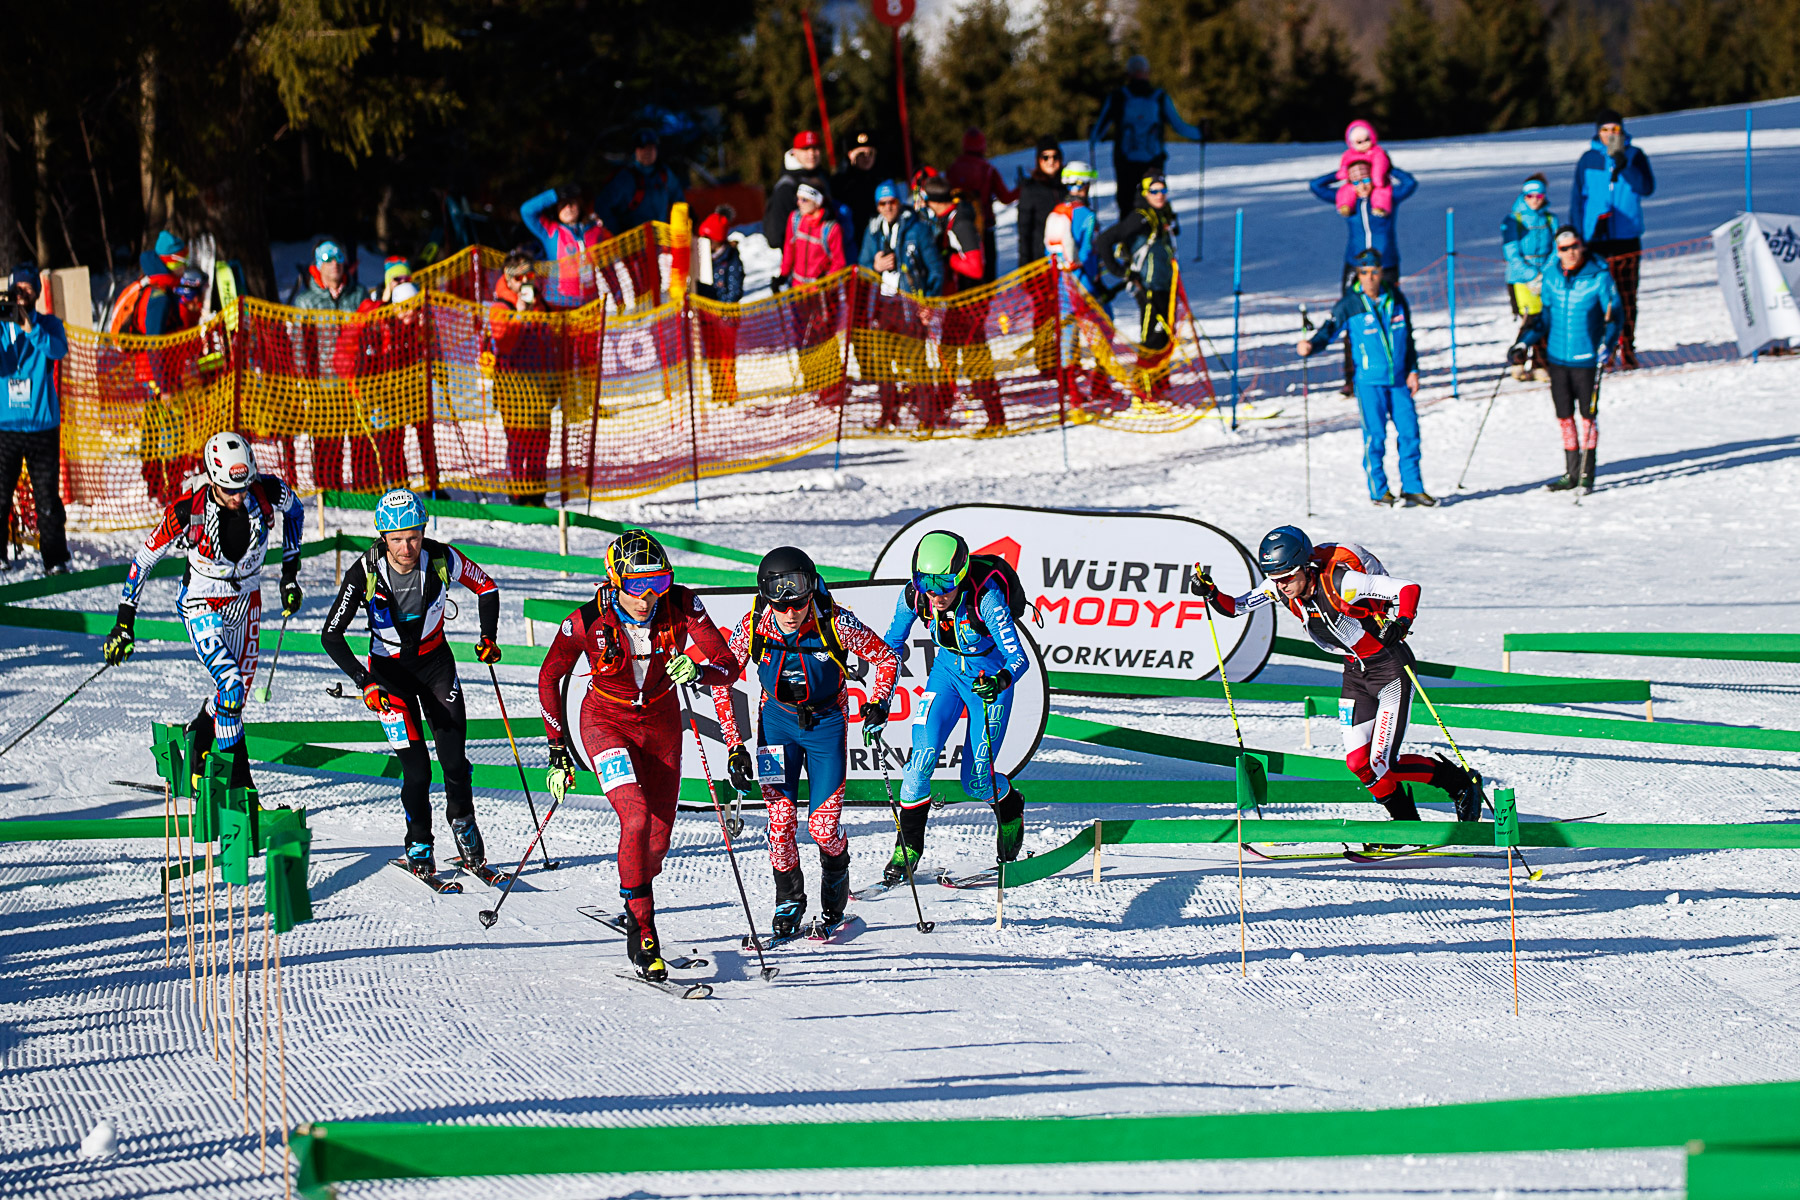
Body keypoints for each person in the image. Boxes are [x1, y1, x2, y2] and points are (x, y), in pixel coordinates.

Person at [538, 530, 739, 981]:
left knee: (659, 841)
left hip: (662, 725)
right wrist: (558, 751)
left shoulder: (684, 607)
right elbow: (548, 679)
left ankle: (634, 888)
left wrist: (701, 670)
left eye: (659, 584)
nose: (647, 598)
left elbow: (729, 664)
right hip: (605, 722)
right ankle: (644, 931)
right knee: (635, 818)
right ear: (614, 579)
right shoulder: (585, 622)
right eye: (635, 587)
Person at [1191, 528, 1483, 828]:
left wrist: (1402, 622)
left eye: (1288, 577)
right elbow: (1237, 607)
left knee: (1382, 763)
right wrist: (1211, 593)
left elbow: (1408, 589)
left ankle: (1459, 783)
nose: (1282, 586)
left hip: (1390, 669)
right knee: (1359, 765)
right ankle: (1406, 826)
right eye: (1276, 578)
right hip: (1355, 673)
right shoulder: (1279, 585)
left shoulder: (1343, 582)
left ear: (1305, 567)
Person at [102, 432, 304, 794]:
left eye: (243, 487)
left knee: (235, 698)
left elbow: (297, 511)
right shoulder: (188, 512)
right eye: (229, 490)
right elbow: (144, 559)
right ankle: (238, 790)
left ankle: (197, 737)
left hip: (247, 601)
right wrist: (124, 621)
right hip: (202, 602)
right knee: (230, 687)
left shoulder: (266, 492)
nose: (238, 496)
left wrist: (290, 573)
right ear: (212, 479)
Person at [711, 547, 899, 935]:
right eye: (780, 604)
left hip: (826, 724)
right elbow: (721, 681)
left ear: (811, 589)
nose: (791, 611)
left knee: (822, 829)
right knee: (779, 822)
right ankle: (789, 900)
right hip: (777, 723)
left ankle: (835, 883)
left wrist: (879, 701)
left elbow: (886, 658)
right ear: (766, 598)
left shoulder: (836, 623)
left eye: (799, 599)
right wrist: (734, 746)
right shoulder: (753, 626)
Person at [319, 489, 501, 882]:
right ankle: (419, 842)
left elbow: (487, 587)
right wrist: (363, 681)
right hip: (388, 678)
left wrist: (489, 637)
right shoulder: (363, 572)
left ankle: (464, 825)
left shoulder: (441, 557)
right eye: (397, 538)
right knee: (417, 771)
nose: (407, 547)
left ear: (423, 531)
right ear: (383, 536)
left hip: (436, 666)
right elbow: (331, 635)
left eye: (414, 536)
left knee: (454, 761)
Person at [879, 531, 1030, 883]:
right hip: (946, 674)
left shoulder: (986, 599)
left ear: (961, 574)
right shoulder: (914, 597)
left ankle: (1010, 808)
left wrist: (1000, 681)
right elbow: (889, 647)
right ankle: (908, 847)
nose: (935, 593)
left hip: (986, 682)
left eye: (945, 583)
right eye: (925, 583)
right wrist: (880, 700)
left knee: (977, 782)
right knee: (921, 758)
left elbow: (1018, 658)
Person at [1298, 248, 1430, 507]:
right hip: (1370, 382)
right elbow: (1328, 331)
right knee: (1376, 436)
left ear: (1381, 272)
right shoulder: (1350, 304)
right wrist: (1311, 346)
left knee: (1410, 433)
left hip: (1399, 380)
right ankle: (1379, 490)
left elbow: (1408, 337)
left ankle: (1413, 487)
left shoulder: (1396, 298)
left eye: (1374, 272)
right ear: (1357, 274)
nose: (1370, 278)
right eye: (1364, 273)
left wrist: (1413, 369)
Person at [1510, 225, 1621, 494]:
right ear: (1557, 252)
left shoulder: (1599, 276)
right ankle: (1570, 473)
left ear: (1581, 246)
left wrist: (1607, 343)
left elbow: (1615, 316)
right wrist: (1524, 341)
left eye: (1574, 247)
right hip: (1558, 360)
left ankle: (1586, 474)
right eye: (1564, 249)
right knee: (1564, 417)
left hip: (1587, 360)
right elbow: (1544, 318)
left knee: (1588, 417)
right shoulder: (1551, 277)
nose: (1570, 253)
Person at [1310, 157, 1417, 393]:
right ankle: (1351, 377)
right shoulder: (1347, 202)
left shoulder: (1387, 197)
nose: (1363, 185)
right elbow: (1316, 186)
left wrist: (1385, 168)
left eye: (1367, 179)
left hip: (1386, 264)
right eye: (1357, 181)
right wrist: (1340, 174)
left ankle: (1397, 370)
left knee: (1391, 317)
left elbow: (1410, 184)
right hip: (1354, 264)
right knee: (1352, 318)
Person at [0, 263, 72, 573]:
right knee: (1, 495)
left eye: (28, 289)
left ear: (36, 294)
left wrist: (31, 328)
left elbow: (57, 351)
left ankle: (55, 558)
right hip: (6, 426)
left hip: (43, 426)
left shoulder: (50, 324)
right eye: (17, 289)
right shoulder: (1, 327)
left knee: (47, 499)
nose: (21, 294)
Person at [1569, 109, 1654, 370]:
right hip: (1595, 238)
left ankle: (1627, 348)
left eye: (1614, 129)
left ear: (1622, 130)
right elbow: (1577, 199)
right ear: (1598, 132)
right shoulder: (1588, 159)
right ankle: (1603, 350)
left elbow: (1646, 188)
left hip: (1626, 237)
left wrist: (1624, 164)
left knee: (1626, 296)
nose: (1609, 134)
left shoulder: (1635, 155)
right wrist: (1576, 237)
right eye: (1605, 129)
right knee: (1598, 297)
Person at [856, 179, 944, 429]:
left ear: (899, 202)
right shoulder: (873, 230)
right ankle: (888, 412)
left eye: (891, 202)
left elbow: (935, 268)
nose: (887, 208)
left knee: (916, 362)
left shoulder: (917, 228)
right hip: (882, 303)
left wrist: (929, 301)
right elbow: (861, 265)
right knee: (881, 361)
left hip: (909, 301)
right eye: (882, 203)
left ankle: (927, 415)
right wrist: (874, 266)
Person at [921, 175, 1001, 431]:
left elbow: (976, 267)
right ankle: (941, 410)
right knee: (948, 353)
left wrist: (949, 260)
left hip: (971, 303)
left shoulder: (960, 223)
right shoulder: (952, 219)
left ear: (933, 202)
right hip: (960, 303)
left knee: (976, 360)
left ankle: (996, 417)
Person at [1096, 173, 1182, 399]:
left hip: (1166, 286)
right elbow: (1105, 240)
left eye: (1163, 190)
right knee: (1152, 339)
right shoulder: (1139, 217)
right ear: (1145, 194)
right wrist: (1122, 272)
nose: (1160, 195)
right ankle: (1144, 389)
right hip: (1148, 287)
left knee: (1165, 337)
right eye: (1154, 191)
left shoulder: (1162, 215)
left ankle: (1160, 386)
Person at [1088, 55, 1201, 219]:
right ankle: (1155, 240)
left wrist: (1092, 133)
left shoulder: (1118, 97)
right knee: (1155, 202)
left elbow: (1097, 134)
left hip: (1126, 163)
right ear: (1147, 73)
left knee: (1127, 206)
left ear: (1129, 74)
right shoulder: (1159, 97)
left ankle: (1128, 241)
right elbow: (1179, 126)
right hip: (1153, 162)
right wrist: (1201, 133)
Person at [1044, 160, 1116, 413]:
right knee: (1105, 329)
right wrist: (1097, 275)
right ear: (1083, 186)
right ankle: (1100, 384)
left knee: (1068, 337)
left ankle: (1071, 393)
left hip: (1063, 285)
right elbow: (1087, 252)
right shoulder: (1087, 216)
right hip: (1085, 284)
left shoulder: (1056, 212)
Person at [487, 247, 555, 505]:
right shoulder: (500, 307)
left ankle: (537, 495)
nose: (526, 281)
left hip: (540, 384)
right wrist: (519, 314)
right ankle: (517, 493)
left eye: (530, 276)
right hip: (512, 388)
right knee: (518, 441)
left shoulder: (542, 305)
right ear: (509, 279)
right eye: (519, 278)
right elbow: (504, 344)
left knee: (541, 441)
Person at [778, 185, 848, 405]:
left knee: (823, 338)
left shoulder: (830, 228)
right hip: (799, 290)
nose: (799, 204)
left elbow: (839, 262)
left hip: (821, 295)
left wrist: (825, 280)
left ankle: (832, 386)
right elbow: (789, 248)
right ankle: (812, 380)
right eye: (798, 199)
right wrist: (782, 274)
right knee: (803, 338)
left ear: (817, 202)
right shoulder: (795, 220)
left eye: (804, 200)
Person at [1016, 138, 1067, 373]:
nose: (1051, 162)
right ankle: (1046, 359)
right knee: (1044, 310)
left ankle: (1066, 356)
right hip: (1040, 262)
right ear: (1038, 160)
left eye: (1055, 157)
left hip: (1066, 260)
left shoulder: (1065, 186)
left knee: (1064, 309)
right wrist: (1025, 268)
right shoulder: (1031, 189)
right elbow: (1024, 231)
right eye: (1046, 157)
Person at [1500, 174, 1556, 381]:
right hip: (1521, 278)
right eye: (1529, 195)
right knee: (1530, 319)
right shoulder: (1514, 220)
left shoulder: (1550, 219)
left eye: (1538, 195)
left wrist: (1546, 273)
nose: (1534, 200)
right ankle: (1518, 359)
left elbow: (1557, 248)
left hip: (1547, 277)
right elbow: (1512, 253)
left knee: (1546, 318)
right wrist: (1531, 275)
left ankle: (1541, 363)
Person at [946, 129, 1019, 285]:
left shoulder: (952, 169)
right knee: (985, 278)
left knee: (963, 279)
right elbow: (1005, 197)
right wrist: (1022, 188)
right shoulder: (988, 170)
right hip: (984, 229)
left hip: (957, 229)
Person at [520, 185, 610, 309]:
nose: (567, 207)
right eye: (562, 205)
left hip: (591, 302)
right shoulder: (551, 231)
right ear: (556, 210)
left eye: (571, 203)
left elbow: (610, 264)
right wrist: (554, 195)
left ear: (579, 205)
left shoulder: (595, 231)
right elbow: (527, 211)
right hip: (559, 303)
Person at [694, 210, 745, 405]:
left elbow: (735, 289)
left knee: (726, 358)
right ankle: (718, 390)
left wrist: (723, 306)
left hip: (725, 317)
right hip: (707, 316)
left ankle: (729, 393)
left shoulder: (730, 259)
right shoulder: (701, 258)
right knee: (713, 356)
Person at [599, 130, 685, 237]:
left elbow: (679, 201)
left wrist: (681, 227)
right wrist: (619, 232)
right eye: (643, 148)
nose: (647, 152)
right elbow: (602, 206)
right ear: (636, 151)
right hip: (634, 242)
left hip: (660, 238)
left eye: (651, 148)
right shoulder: (625, 178)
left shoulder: (664, 174)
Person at [763, 131, 835, 253]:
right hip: (802, 261)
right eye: (805, 149)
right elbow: (775, 236)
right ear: (795, 152)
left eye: (815, 148)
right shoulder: (786, 186)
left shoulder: (823, 176)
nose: (811, 154)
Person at [832, 131, 885, 240]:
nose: (867, 158)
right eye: (861, 154)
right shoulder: (839, 182)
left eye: (870, 153)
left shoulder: (881, 180)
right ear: (850, 154)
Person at [1334, 121, 1393, 216]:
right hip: (1354, 179)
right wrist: (1342, 174)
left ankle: (1380, 207)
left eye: (1367, 139)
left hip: (1374, 181)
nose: (1364, 144)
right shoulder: (1349, 154)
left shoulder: (1377, 152)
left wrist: (1377, 179)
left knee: (1382, 191)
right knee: (1346, 190)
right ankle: (1345, 206)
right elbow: (1344, 165)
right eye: (1359, 142)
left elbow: (1380, 165)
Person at [292, 240, 369, 312]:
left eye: (339, 257)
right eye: (328, 259)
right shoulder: (305, 302)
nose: (335, 263)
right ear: (319, 265)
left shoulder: (359, 294)